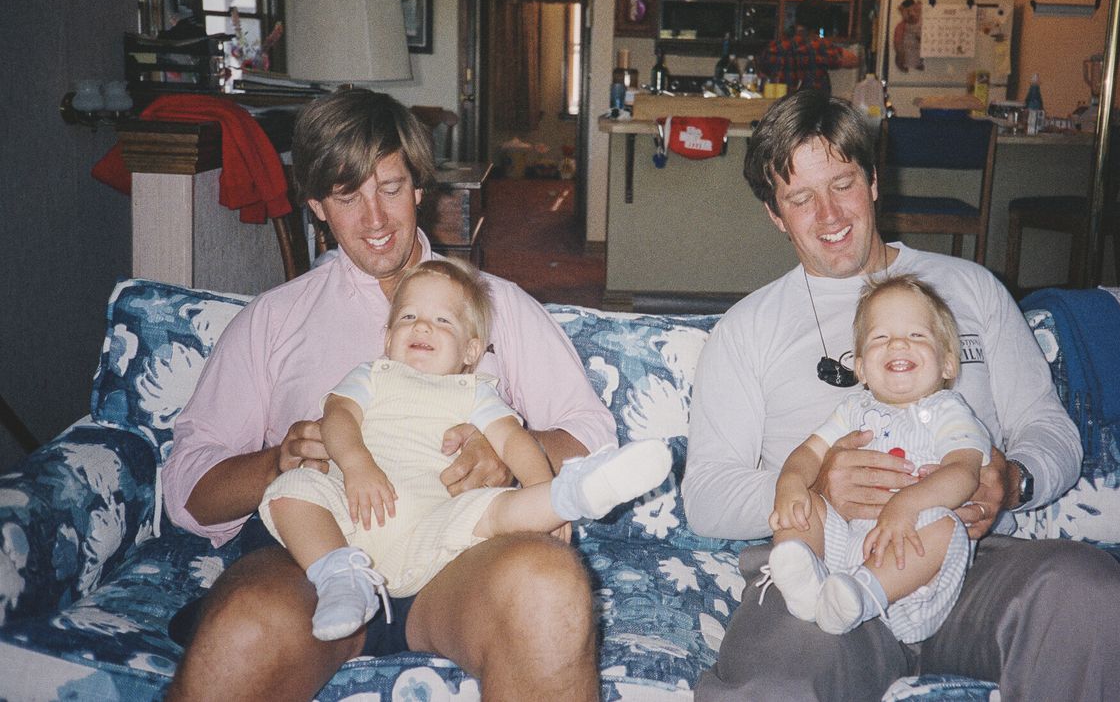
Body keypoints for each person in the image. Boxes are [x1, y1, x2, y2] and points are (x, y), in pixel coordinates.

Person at [683, 89, 1120, 701]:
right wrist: (814, 488)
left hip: (968, 559)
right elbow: (706, 497)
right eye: (801, 198)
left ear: (874, 182)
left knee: (1098, 601)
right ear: (776, 215)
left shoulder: (972, 289)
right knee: (773, 687)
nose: (829, 215)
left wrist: (1013, 480)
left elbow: (1049, 428)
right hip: (825, 574)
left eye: (843, 184)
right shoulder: (747, 329)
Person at [161, 89, 618, 702]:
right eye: (348, 197)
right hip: (313, 563)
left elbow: (593, 434)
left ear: (420, 188)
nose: (375, 220)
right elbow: (186, 490)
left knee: (550, 588)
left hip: (459, 559)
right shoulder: (273, 320)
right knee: (240, 631)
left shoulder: (497, 305)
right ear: (318, 207)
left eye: (391, 188)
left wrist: (511, 454)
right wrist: (277, 463)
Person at [260, 258, 671, 642]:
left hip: (432, 525)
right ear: (387, 338)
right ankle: (339, 578)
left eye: (442, 320)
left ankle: (573, 494)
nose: (422, 327)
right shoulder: (372, 376)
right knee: (289, 490)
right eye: (408, 317)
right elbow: (338, 418)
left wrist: (540, 485)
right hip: (350, 509)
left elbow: (513, 441)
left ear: (471, 351)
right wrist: (356, 464)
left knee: (493, 510)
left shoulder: (473, 393)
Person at [767, 275, 988, 642]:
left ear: (948, 363)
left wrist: (906, 505)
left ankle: (863, 594)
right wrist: (789, 483)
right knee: (803, 505)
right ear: (861, 369)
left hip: (909, 559)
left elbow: (964, 472)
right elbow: (809, 452)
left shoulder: (949, 410)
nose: (898, 343)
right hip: (844, 548)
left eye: (916, 335)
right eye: (880, 338)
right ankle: (804, 579)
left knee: (946, 526)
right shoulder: (853, 410)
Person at [757, 0, 859, 95]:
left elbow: (760, 76)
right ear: (820, 22)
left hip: (783, 104)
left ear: (797, 17)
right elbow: (854, 60)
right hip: (812, 104)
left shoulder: (774, 47)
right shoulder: (820, 47)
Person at [892, 0, 924, 73]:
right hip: (906, 54)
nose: (912, 14)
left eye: (914, 10)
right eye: (908, 12)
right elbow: (898, 44)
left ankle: (917, 64)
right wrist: (900, 58)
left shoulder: (922, 24)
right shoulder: (901, 26)